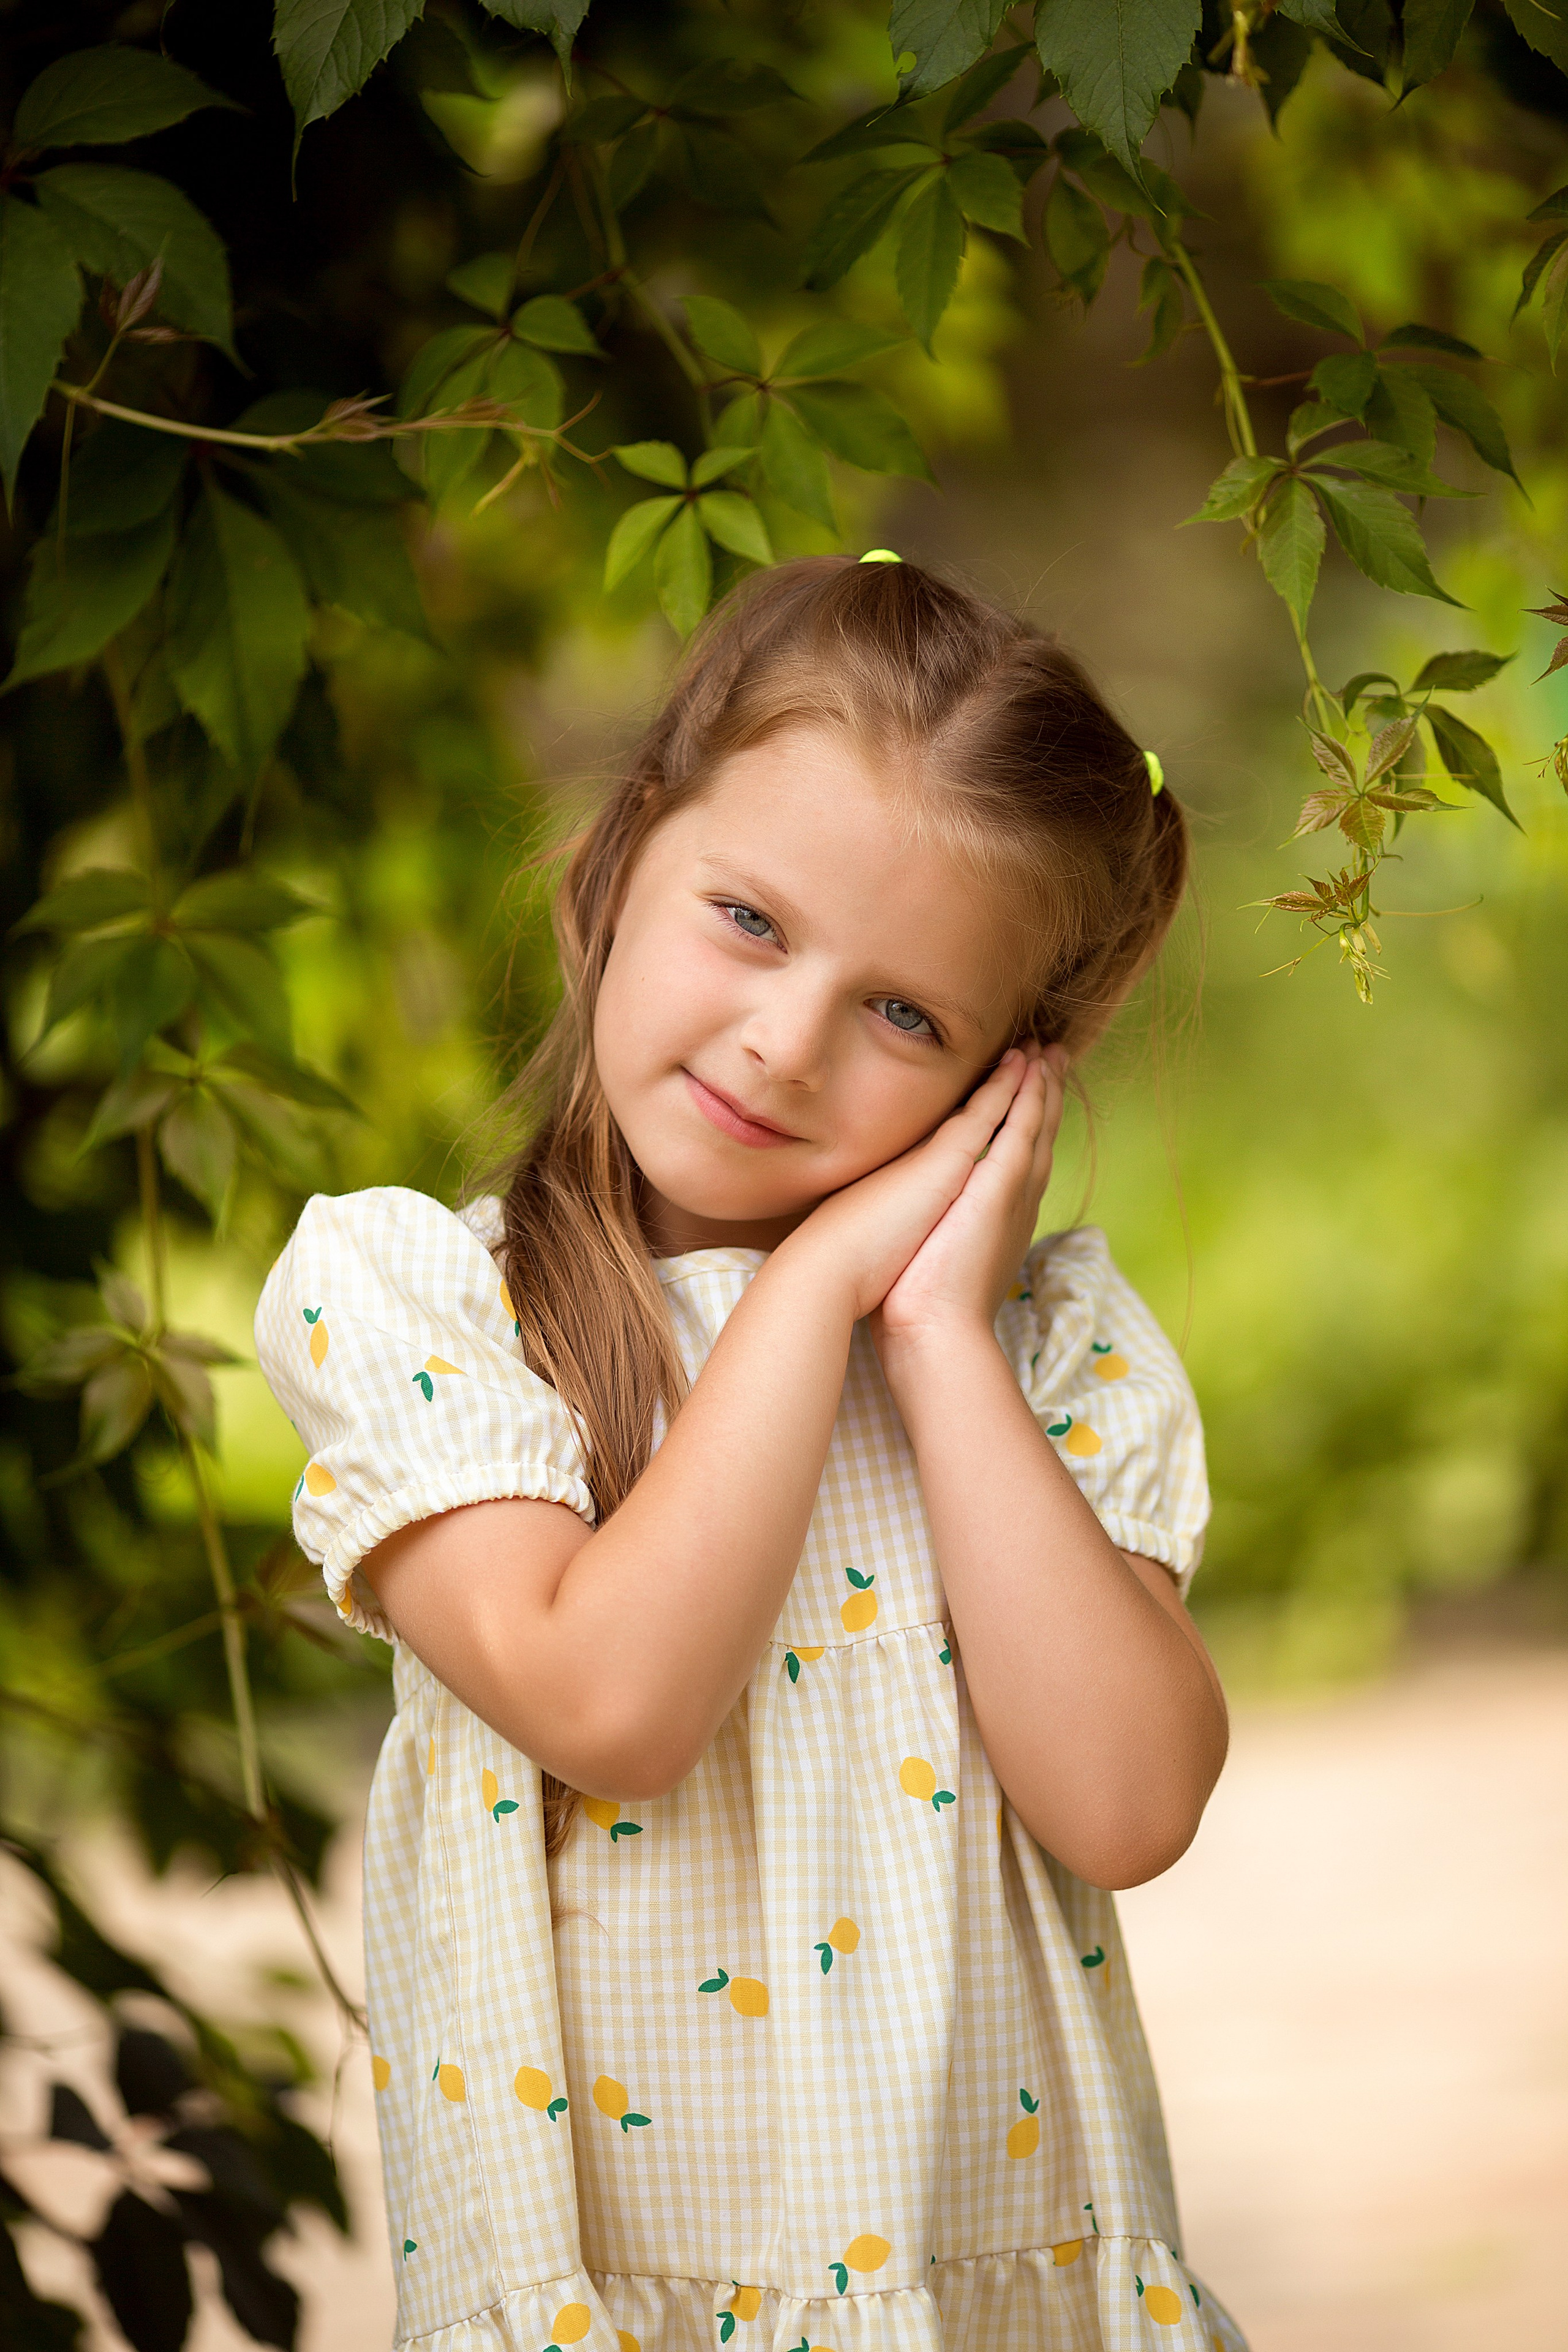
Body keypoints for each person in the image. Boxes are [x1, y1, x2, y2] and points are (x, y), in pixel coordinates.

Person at [255, 554, 1247, 2352]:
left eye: (906, 1018)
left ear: (998, 1082)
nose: (785, 1044)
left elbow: (1131, 1804)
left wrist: (934, 1333)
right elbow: (611, 1700)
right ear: (624, 850)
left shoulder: (1042, 1363)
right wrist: (813, 1297)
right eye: (752, 921)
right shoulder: (422, 1308)